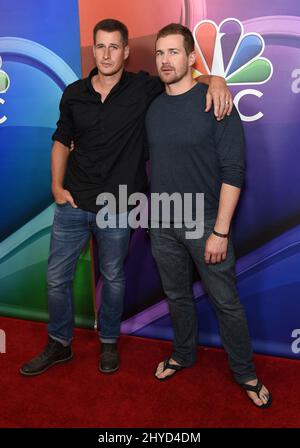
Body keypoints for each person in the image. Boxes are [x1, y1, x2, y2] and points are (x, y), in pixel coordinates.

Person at [20, 19, 232, 377]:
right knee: (56, 277)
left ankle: (108, 343)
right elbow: (61, 139)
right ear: (94, 49)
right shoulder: (74, 93)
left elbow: (185, 80)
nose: (106, 54)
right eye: (100, 46)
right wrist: (57, 187)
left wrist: (219, 80)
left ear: (126, 51)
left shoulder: (143, 88)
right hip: (73, 203)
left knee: (113, 277)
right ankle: (59, 343)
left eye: (114, 47)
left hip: (119, 207)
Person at [146, 23, 272, 408]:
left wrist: (220, 231)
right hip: (161, 221)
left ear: (190, 57)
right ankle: (183, 354)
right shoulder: (152, 104)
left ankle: (245, 372)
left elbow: (234, 172)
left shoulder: (215, 101)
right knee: (176, 296)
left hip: (206, 222)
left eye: (173, 52)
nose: (166, 61)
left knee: (226, 301)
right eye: (160, 53)